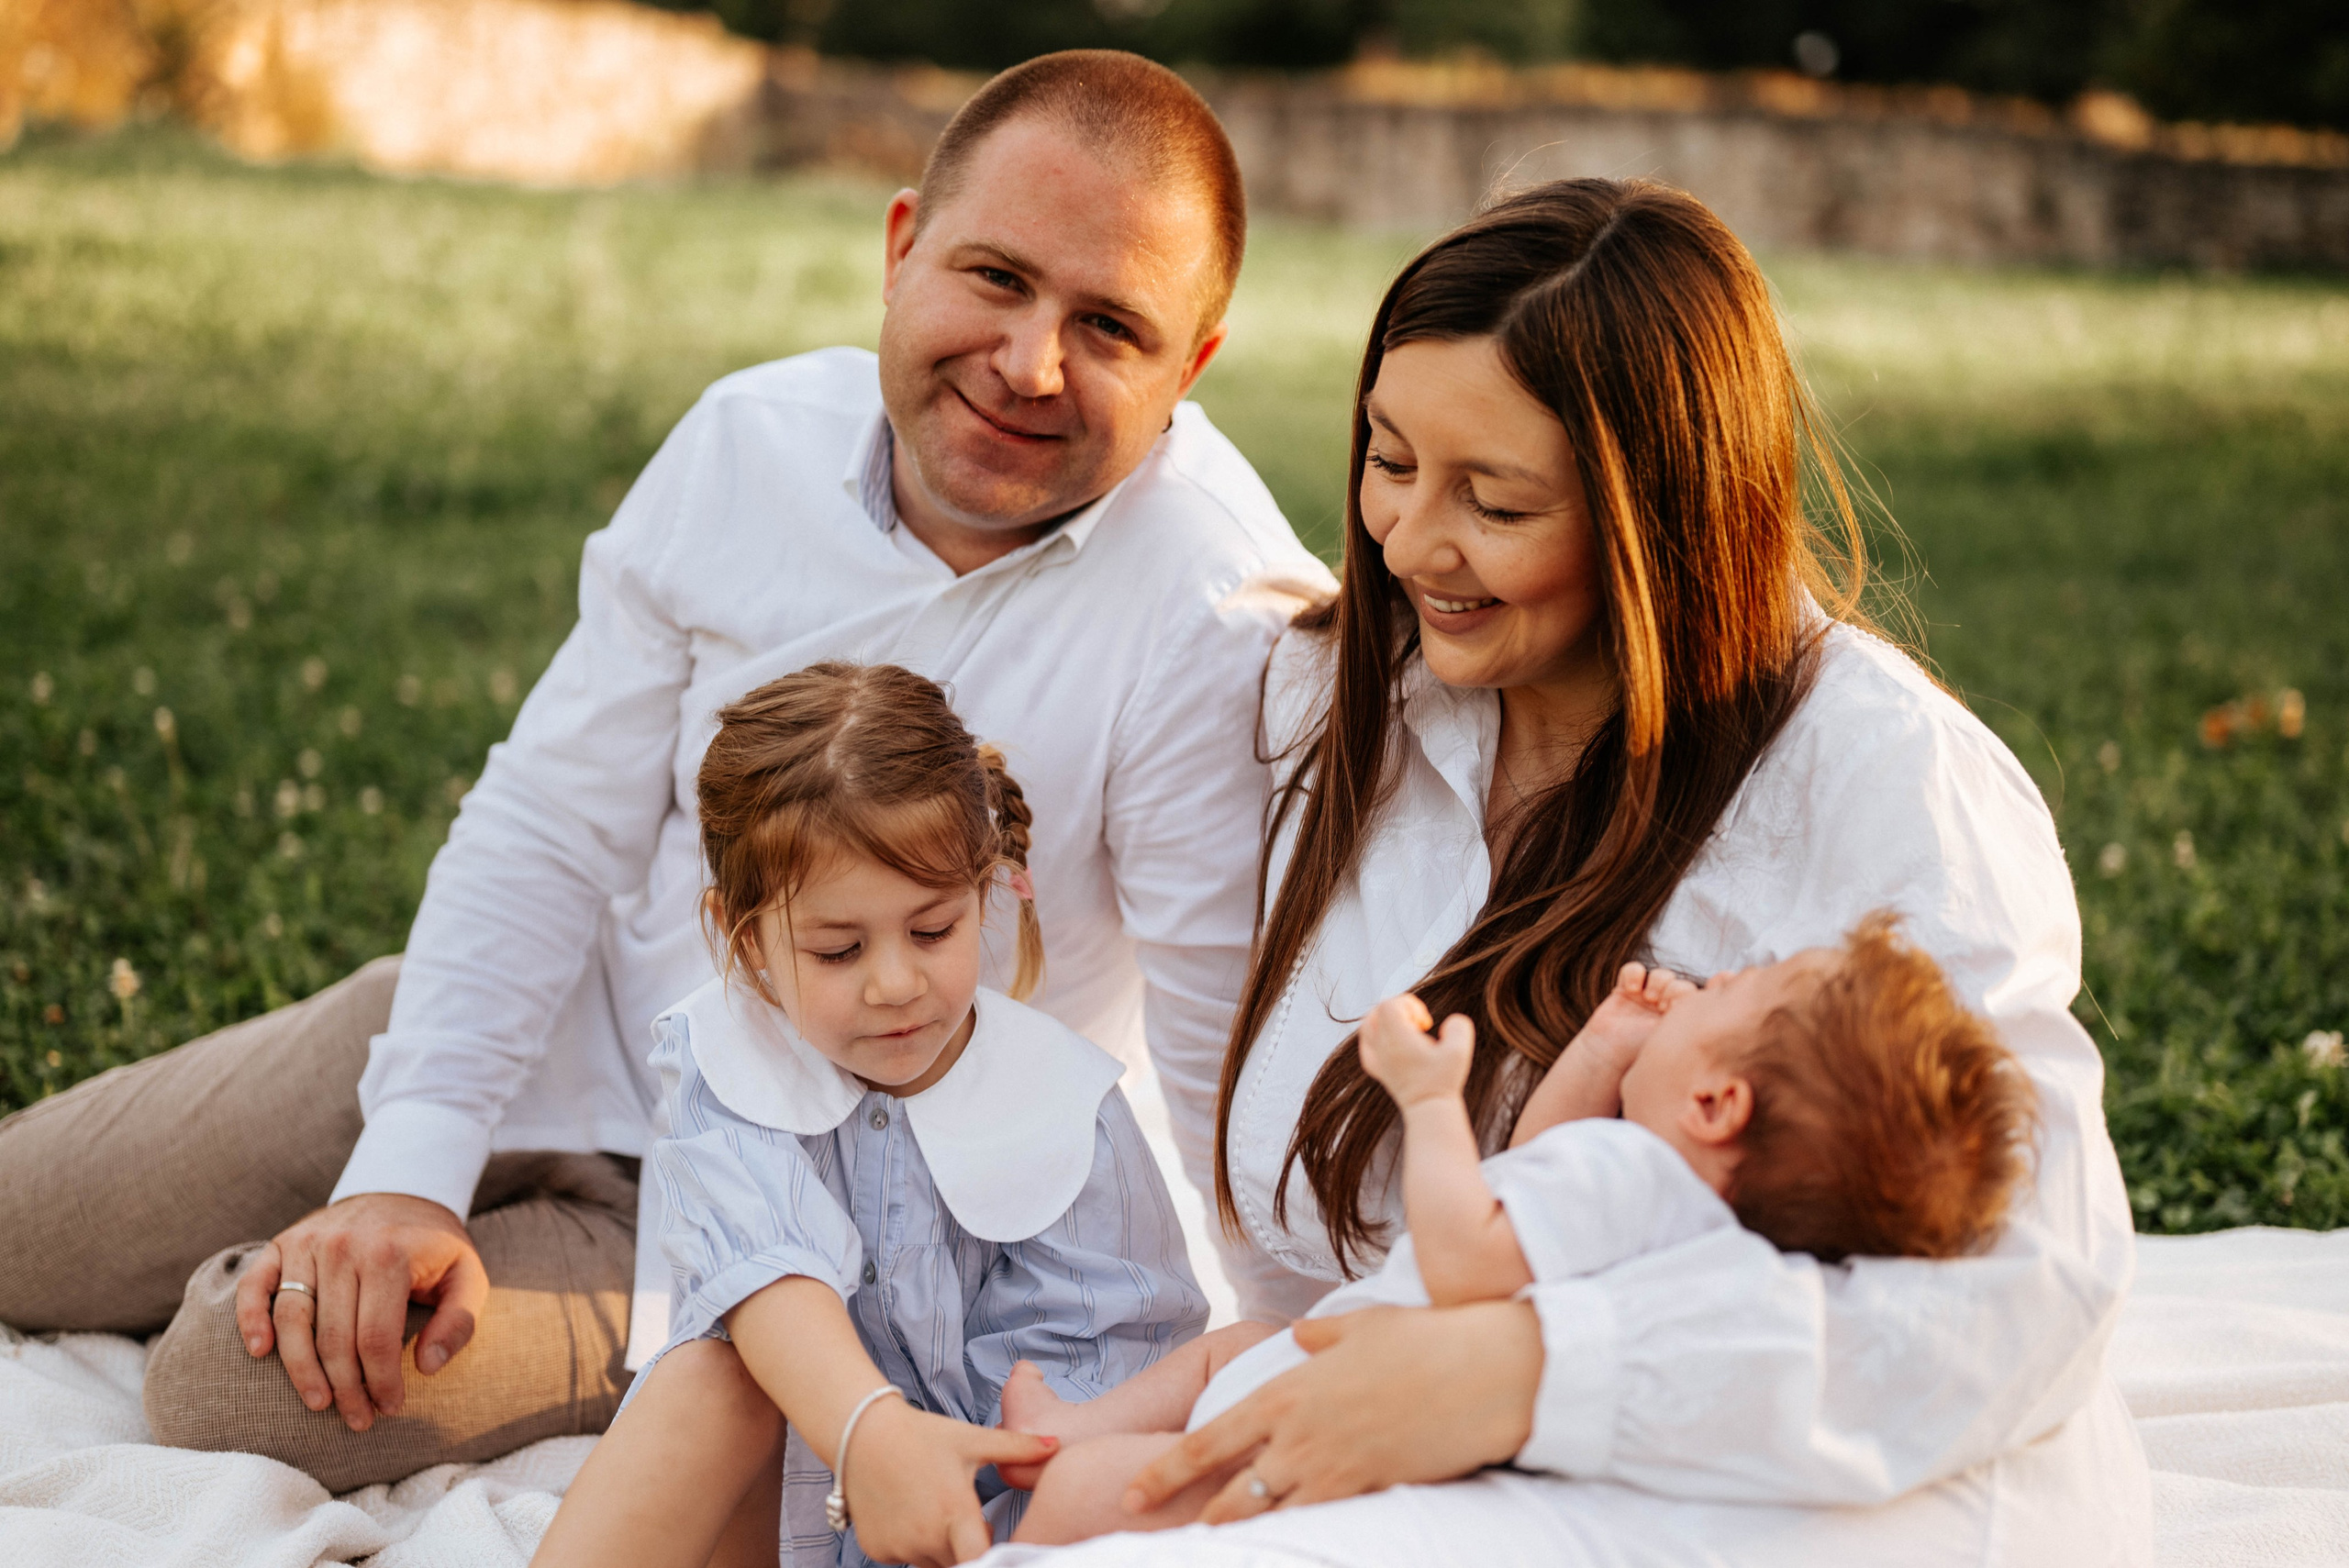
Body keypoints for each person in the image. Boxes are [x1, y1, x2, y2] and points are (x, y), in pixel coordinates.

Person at [0, 50, 1328, 1492]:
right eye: (995, 278)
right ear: (899, 252)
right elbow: (549, 819)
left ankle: (316, 1263)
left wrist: (1280, 1369)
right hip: (558, 1027)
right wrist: (409, 1164)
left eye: (1111, 325)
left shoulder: (1218, 611)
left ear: (1189, 368)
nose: (1030, 362)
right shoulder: (745, 444)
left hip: (781, 1219)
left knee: (223, 1388)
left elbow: (1222, 1028)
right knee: (22, 1220)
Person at [974, 178, 2149, 1568]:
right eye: (1391, 459)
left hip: (1750, 1477)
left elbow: (2030, 1294)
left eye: (1496, 499)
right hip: (1387, 1415)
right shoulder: (1339, 702)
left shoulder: (1886, 780)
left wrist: (1521, 1375)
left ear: (1658, 519)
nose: (1410, 541)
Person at [997, 918, 2038, 1543]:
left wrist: (1430, 1098)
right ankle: (1077, 1432)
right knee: (1236, 1342)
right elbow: (1538, 1173)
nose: (1705, 980)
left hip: (1323, 1406)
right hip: (1364, 1395)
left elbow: (1466, 1253)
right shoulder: (1696, 1220)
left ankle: (1043, 1501)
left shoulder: (1627, 1166)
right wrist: (1602, 1047)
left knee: (1110, 1490)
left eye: (1726, 990)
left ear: (1715, 1103)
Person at [532, 663, 1208, 1568]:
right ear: (746, 939)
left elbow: (1077, 1394)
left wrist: (955, 1487)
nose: (894, 984)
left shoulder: (1056, 1110)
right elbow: (767, 1279)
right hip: (788, 1515)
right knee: (714, 1368)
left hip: (976, 1522)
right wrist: (869, 1431)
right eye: (837, 948)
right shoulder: (727, 1066)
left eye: (932, 930)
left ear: (988, 892)